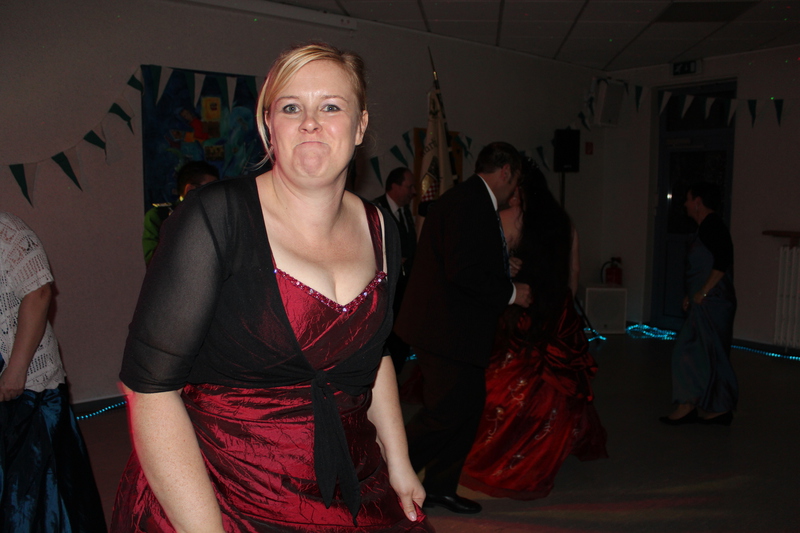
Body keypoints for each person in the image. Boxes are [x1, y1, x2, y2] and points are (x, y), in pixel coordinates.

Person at [111, 42, 433, 532]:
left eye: (331, 106)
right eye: (291, 107)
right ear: (269, 125)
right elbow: (150, 390)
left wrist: (399, 461)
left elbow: (377, 355)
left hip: (352, 480)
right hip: (224, 496)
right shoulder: (214, 217)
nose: (310, 122)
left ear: (360, 125)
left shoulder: (379, 228)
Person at [395, 142, 532, 515]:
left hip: (457, 328)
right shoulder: (469, 203)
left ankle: (439, 487)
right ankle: (388, 478)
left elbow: (465, 258)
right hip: (443, 329)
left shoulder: (472, 200)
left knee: (467, 409)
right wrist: (511, 292)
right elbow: (463, 271)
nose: (514, 191)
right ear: (505, 172)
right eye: (515, 181)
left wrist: (502, 268)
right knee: (445, 413)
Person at [460, 158, 608, 500]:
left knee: (505, 386)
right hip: (556, 314)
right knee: (552, 392)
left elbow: (483, 268)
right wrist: (562, 312)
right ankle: (540, 452)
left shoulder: (507, 219)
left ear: (521, 189)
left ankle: (504, 455)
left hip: (521, 314)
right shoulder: (565, 222)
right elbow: (573, 275)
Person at [0, 212, 106, 532]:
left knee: (32, 489)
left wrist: (16, 371)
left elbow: (39, 293)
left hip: (28, 387)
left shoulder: (8, 231)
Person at [660, 182, 738, 426]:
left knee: (688, 350)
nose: (684, 204)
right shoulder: (707, 227)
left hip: (713, 302)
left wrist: (703, 292)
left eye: (688, 199)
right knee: (709, 353)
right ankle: (717, 407)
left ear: (698, 202)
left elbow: (723, 260)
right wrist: (692, 293)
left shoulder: (712, 226)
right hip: (709, 301)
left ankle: (688, 405)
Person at [374, 167, 417, 374]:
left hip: (405, 291)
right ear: (394, 186)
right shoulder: (376, 210)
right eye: (409, 186)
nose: (413, 192)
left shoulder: (406, 212)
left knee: (403, 337)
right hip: (386, 292)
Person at [142, 160, 219, 265]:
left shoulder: (218, 216)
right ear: (190, 189)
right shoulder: (161, 216)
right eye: (210, 189)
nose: (215, 194)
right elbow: (154, 261)